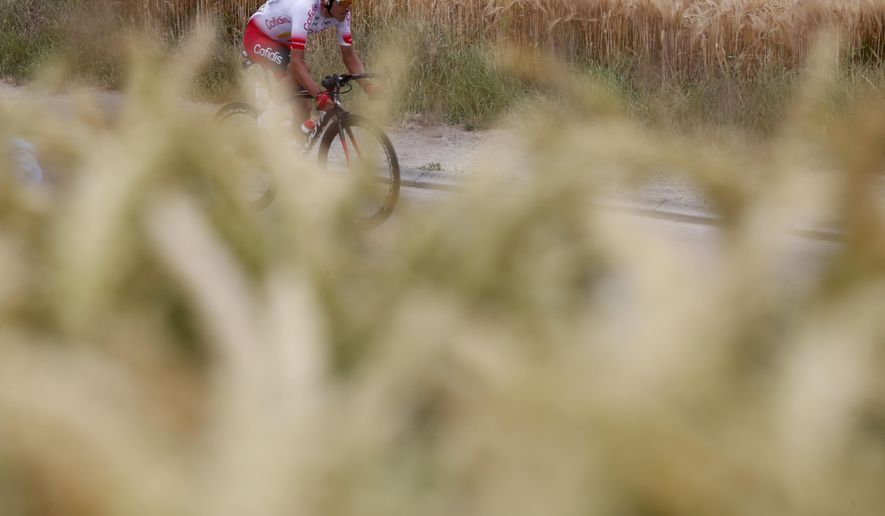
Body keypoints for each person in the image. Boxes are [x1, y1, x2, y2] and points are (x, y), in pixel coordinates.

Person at [243, 0, 379, 133]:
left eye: (350, 2)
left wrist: (368, 86)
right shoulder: (305, 7)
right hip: (257, 36)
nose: (347, 7)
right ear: (327, 2)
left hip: (283, 43)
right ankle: (268, 118)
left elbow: (349, 58)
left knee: (303, 108)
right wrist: (319, 95)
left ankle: (294, 152)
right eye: (343, 2)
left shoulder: (341, 14)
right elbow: (296, 63)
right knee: (300, 70)